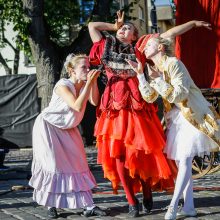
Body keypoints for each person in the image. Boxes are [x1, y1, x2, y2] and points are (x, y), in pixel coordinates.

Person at [88, 10, 211, 217]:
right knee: (117, 155)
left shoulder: (140, 48)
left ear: (135, 36)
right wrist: (114, 26)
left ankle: (146, 193)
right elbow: (92, 26)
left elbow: (169, 34)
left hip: (138, 104)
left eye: (129, 28)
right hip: (114, 109)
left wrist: (192, 23)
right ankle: (131, 201)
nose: (124, 29)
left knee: (143, 152)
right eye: (123, 27)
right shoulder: (104, 46)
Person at [127, 35, 220, 220]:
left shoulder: (174, 63)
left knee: (184, 161)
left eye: (148, 44)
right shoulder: (155, 68)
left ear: (160, 47)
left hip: (191, 115)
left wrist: (159, 80)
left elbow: (179, 95)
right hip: (176, 119)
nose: (144, 47)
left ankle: (173, 207)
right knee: (181, 163)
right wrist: (140, 75)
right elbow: (150, 97)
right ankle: (189, 208)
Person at [29, 54, 106, 218]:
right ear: (72, 70)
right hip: (48, 127)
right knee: (53, 166)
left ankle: (88, 206)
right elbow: (77, 106)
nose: (88, 69)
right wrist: (89, 83)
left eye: (88, 66)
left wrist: (91, 83)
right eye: (83, 67)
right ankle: (51, 205)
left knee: (79, 164)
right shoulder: (62, 85)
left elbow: (94, 100)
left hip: (69, 127)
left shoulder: (85, 83)